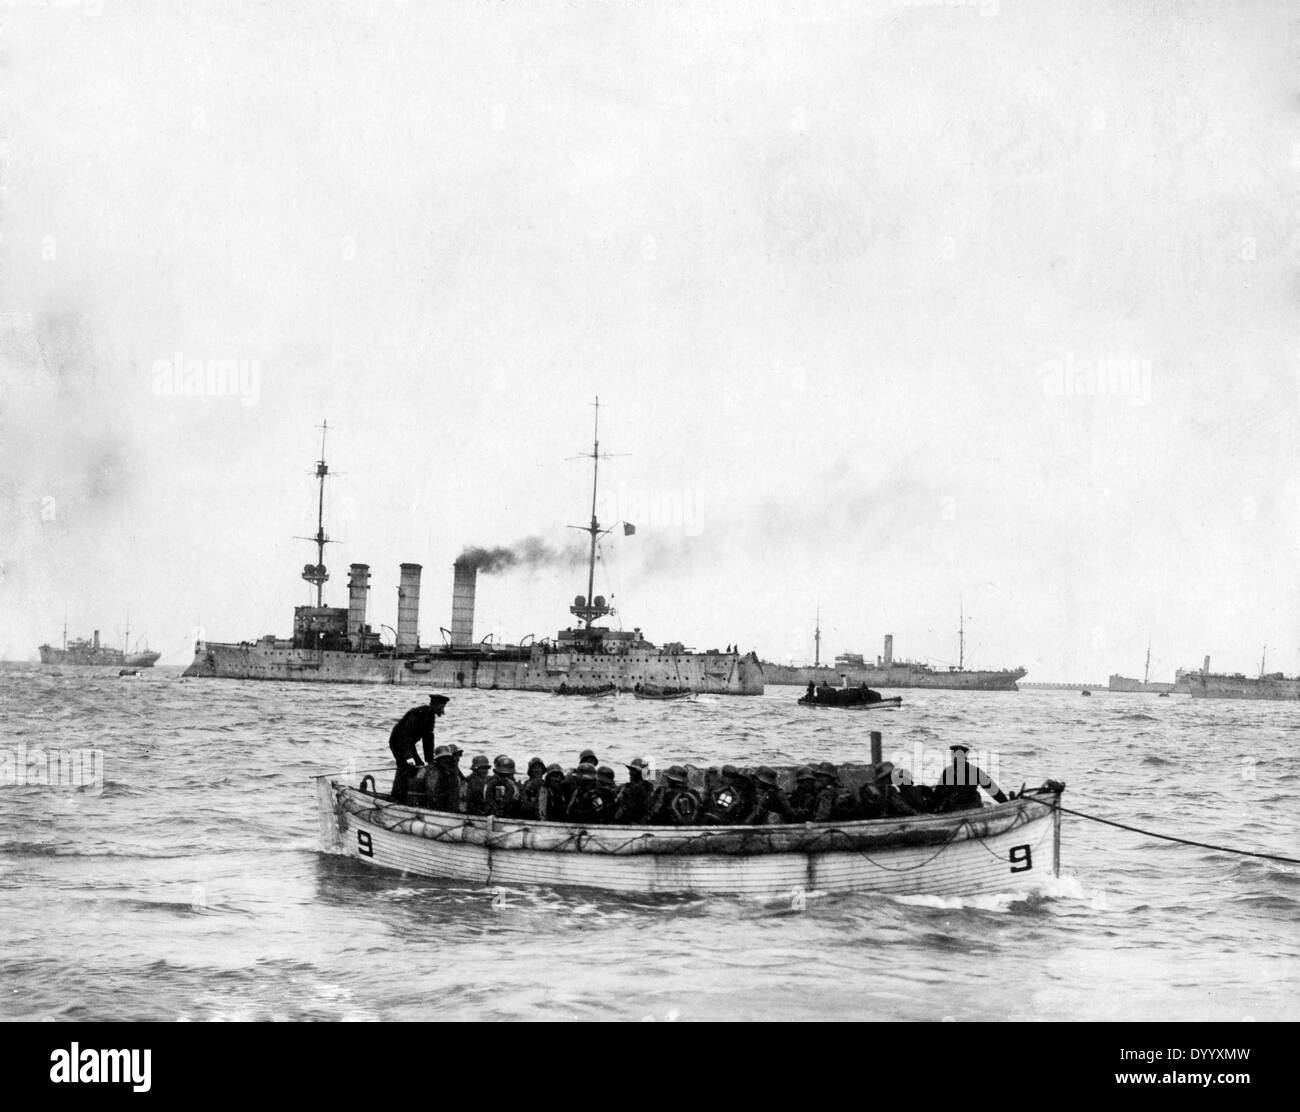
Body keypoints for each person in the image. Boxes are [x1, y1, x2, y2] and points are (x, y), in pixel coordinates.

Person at [387, 694, 449, 803]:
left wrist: (430, 760)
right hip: (398, 742)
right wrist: (409, 757)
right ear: (434, 705)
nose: (442, 710)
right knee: (405, 767)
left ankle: (406, 796)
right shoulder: (416, 714)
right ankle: (397, 797)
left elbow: (428, 740)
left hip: (409, 743)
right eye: (441, 707)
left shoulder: (430, 717)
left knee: (418, 766)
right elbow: (405, 736)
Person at [934, 744, 1007, 812]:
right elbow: (993, 790)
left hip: (953, 808)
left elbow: (939, 793)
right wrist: (1006, 803)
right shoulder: (975, 771)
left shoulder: (948, 771)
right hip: (973, 807)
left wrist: (929, 809)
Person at [613, 757, 655, 824]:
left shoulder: (645, 788)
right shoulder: (626, 787)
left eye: (633, 771)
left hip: (635, 822)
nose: (630, 773)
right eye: (630, 770)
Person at [426, 745, 464, 813]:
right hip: (440, 807)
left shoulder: (452, 770)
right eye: (455, 756)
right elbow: (432, 792)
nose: (457, 758)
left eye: (459, 755)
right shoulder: (435, 771)